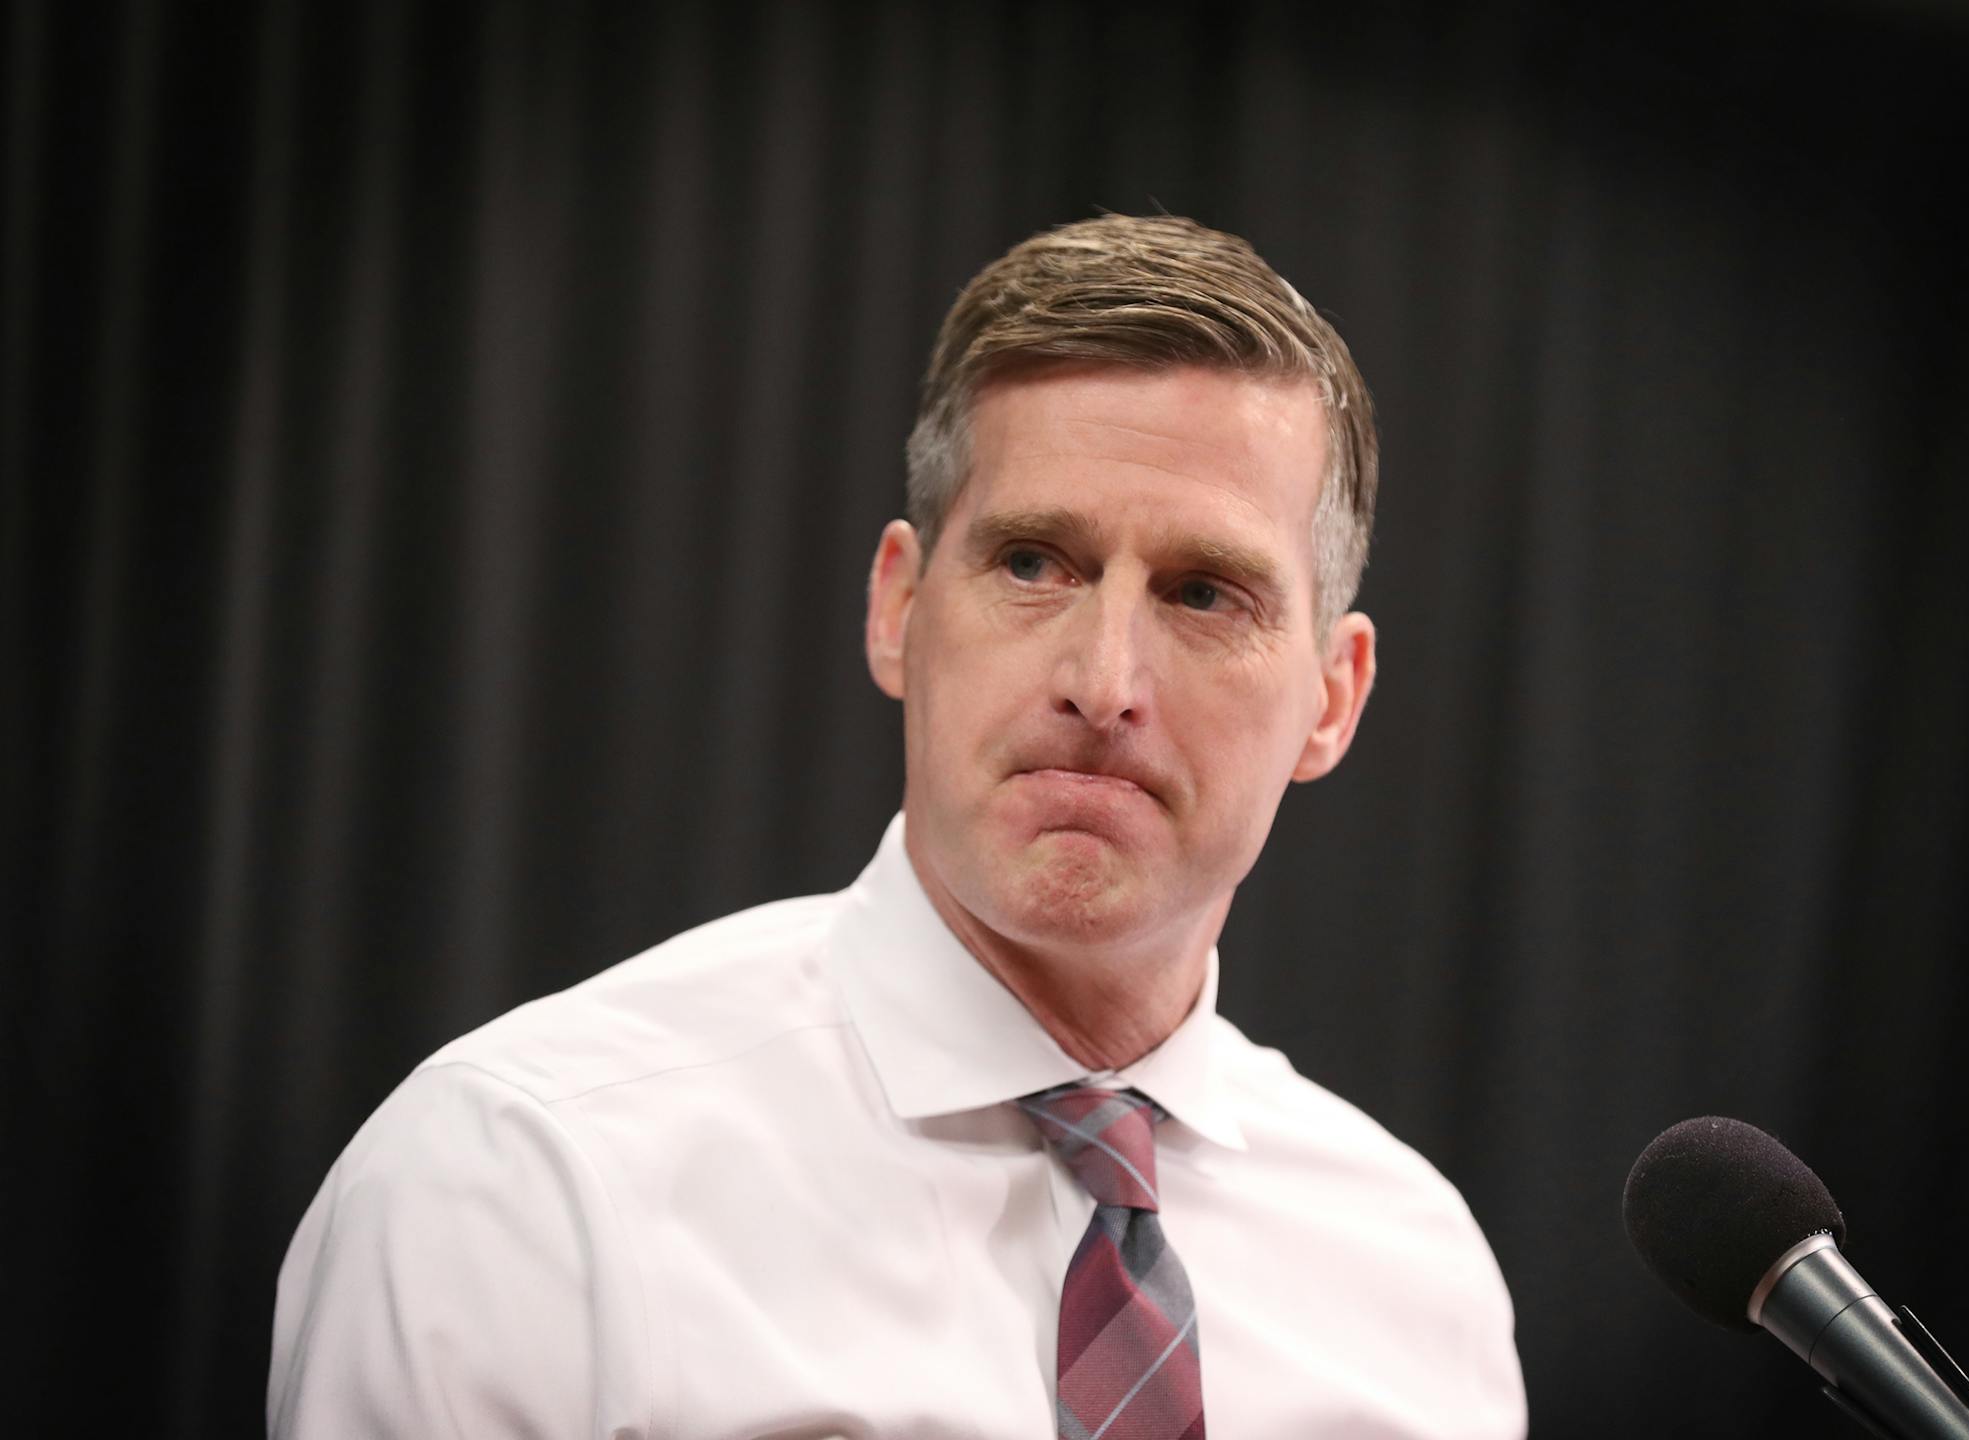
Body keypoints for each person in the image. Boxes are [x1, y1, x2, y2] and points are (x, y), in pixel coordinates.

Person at [269, 214, 1527, 1438]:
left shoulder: (1419, 1283)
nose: (1104, 683)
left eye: (1205, 593)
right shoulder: (524, 1184)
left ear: (1333, 698)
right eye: (1033, 563)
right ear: (899, 609)